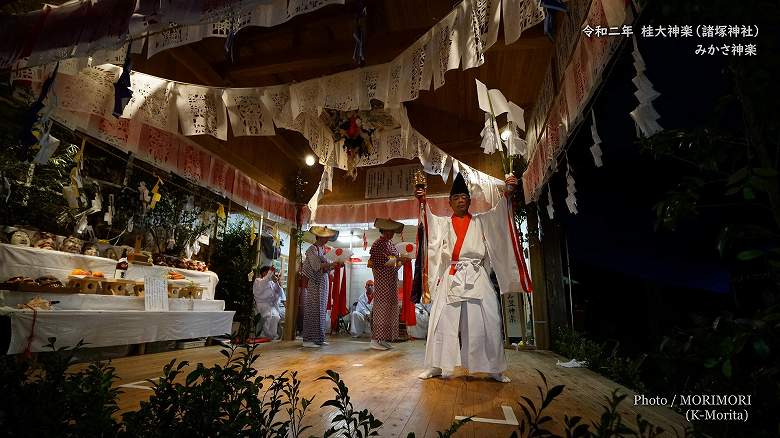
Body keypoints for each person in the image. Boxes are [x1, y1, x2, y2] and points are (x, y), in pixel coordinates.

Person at [415, 172, 532, 382]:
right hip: (452, 275)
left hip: (476, 275)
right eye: (456, 197)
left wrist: (507, 193)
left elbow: (498, 215)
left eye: (464, 196)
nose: (461, 199)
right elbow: (428, 224)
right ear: (450, 202)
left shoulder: (481, 221)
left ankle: (494, 367)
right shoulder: (443, 224)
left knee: (489, 319)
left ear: (469, 200)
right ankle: (436, 366)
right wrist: (423, 201)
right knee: (441, 320)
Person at [368, 218, 409, 351]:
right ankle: (375, 339)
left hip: (391, 280)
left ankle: (383, 338)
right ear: (383, 230)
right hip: (382, 281)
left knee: (391, 309)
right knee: (382, 308)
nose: (391, 233)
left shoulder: (391, 244)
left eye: (392, 231)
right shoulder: (377, 244)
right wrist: (398, 259)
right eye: (389, 231)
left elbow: (395, 265)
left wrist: (401, 261)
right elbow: (380, 262)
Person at [301, 226, 340, 348]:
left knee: (321, 311)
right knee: (313, 310)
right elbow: (316, 265)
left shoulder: (323, 250)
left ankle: (319, 338)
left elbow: (326, 267)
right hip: (314, 283)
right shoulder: (311, 249)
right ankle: (308, 340)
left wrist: (336, 265)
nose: (327, 239)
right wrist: (332, 264)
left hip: (323, 283)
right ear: (320, 237)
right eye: (325, 237)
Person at [253, 266, 284, 339]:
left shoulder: (271, 282)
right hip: (261, 305)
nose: (269, 274)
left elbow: (277, 293)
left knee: (275, 317)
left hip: (270, 305)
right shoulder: (258, 280)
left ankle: (272, 336)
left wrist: (276, 283)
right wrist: (270, 273)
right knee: (267, 317)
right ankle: (263, 336)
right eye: (267, 272)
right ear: (263, 273)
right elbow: (263, 284)